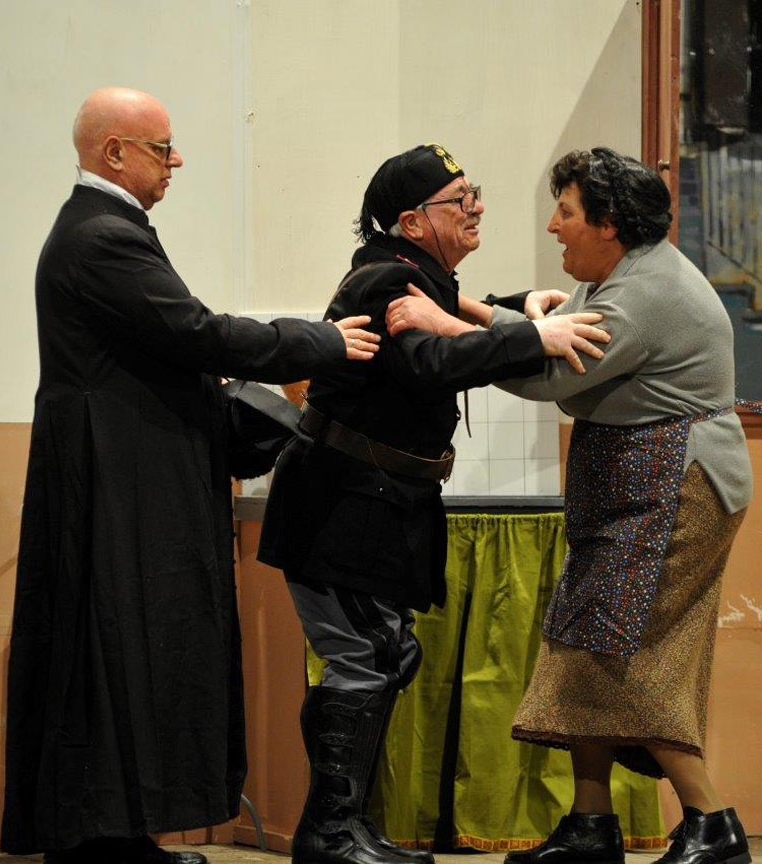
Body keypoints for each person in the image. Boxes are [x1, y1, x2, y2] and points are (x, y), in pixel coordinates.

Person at [0, 87, 384, 864]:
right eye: (162, 147)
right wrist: (318, 342)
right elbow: (196, 332)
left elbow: (176, 341)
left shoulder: (100, 229)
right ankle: (105, 841)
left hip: (122, 470)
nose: (177, 161)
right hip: (118, 481)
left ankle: (117, 835)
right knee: (120, 645)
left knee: (122, 650)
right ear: (114, 152)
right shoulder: (103, 236)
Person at [387, 147, 755, 864]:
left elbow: (550, 376)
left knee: (624, 656)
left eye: (565, 213)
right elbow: (550, 336)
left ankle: (713, 823)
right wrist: (468, 307)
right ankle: (591, 825)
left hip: (673, 490)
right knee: (586, 640)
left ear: (608, 223)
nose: (554, 227)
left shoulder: (646, 294)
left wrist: (446, 326)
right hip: (631, 488)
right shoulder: (621, 274)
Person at [258, 144, 611, 864]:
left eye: (473, 192)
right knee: (363, 656)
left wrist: (515, 310)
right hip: (343, 504)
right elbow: (429, 361)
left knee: (383, 654)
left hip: (372, 501)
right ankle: (329, 833)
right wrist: (533, 338)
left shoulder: (417, 275)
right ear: (414, 222)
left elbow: (448, 320)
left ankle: (345, 827)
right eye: (459, 200)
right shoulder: (389, 279)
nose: (476, 207)